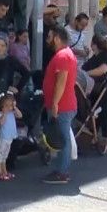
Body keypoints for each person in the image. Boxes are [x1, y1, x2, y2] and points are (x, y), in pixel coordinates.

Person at [42, 25, 79, 185]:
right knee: (62, 138)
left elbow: (61, 82)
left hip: (62, 105)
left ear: (57, 38)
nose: (48, 40)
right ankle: (61, 170)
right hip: (64, 104)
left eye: (50, 37)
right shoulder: (66, 54)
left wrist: (55, 103)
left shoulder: (63, 56)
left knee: (62, 139)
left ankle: (62, 172)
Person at [82, 35, 107, 155]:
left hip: (104, 88)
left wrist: (86, 73)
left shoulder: (106, 56)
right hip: (94, 88)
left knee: (104, 112)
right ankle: (94, 136)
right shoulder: (94, 57)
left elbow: (102, 70)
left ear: (94, 44)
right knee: (94, 111)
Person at [0, 93, 21, 181]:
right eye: (6, 105)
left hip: (10, 137)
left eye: (11, 105)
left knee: (5, 155)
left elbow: (20, 115)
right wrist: (4, 113)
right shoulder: (0, 114)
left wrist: (15, 107)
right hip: (3, 137)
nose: (9, 107)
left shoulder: (12, 113)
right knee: (0, 154)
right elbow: (1, 123)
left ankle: (5, 171)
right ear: (2, 106)